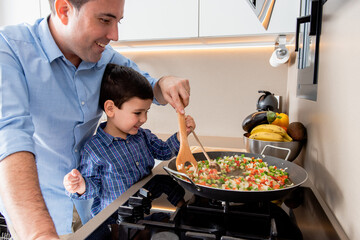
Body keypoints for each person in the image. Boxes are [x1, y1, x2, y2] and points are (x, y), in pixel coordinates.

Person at [0, 0, 191, 239]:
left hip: (90, 209)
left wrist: (165, 84)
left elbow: (148, 85)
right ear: (64, 10)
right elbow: (10, 139)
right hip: (35, 213)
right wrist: (40, 234)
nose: (115, 35)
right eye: (104, 20)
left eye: (118, 21)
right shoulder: (9, 48)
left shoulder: (104, 57)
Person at [63, 64, 194, 238]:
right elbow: (93, 187)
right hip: (115, 223)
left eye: (146, 112)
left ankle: (182, 208)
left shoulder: (143, 136)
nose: (144, 119)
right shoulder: (94, 150)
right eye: (138, 112)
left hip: (142, 211)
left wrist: (181, 135)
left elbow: (163, 151)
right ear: (110, 109)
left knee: (166, 182)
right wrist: (81, 186)